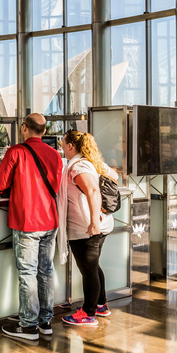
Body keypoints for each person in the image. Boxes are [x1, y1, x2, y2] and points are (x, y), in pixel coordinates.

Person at [0, 113, 63, 340]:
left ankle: (28, 326)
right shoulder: (55, 154)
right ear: (43, 130)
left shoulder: (16, 152)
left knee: (28, 273)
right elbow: (56, 186)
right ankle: (45, 322)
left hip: (27, 221)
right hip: (50, 221)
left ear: (24, 128)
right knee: (46, 271)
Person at [58, 130, 118, 326]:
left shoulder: (78, 166)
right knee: (93, 266)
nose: (61, 145)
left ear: (70, 146)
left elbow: (92, 191)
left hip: (86, 227)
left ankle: (88, 313)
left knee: (88, 270)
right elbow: (115, 175)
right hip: (97, 224)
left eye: (62, 142)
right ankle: (101, 304)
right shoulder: (90, 161)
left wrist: (93, 222)